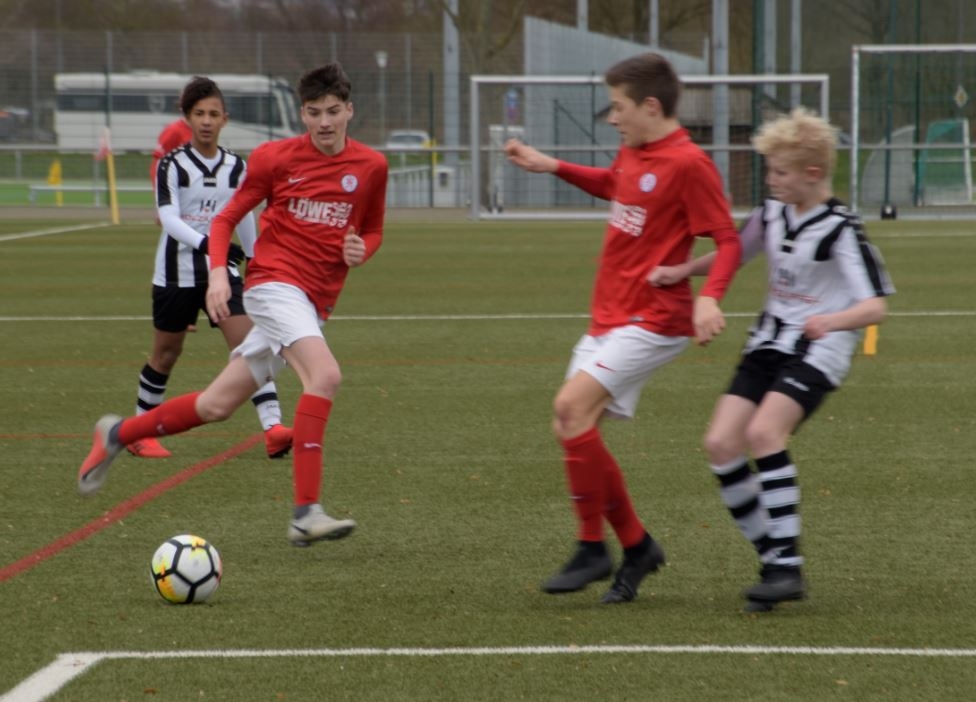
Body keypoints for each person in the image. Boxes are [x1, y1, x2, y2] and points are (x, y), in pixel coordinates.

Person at [78, 62, 389, 547]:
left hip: (314, 301)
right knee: (325, 375)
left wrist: (361, 250)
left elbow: (373, 230)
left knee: (216, 405)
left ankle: (118, 433)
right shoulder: (274, 158)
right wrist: (221, 275)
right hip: (272, 285)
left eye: (332, 111)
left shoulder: (372, 167)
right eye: (313, 112)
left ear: (349, 110)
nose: (324, 122)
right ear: (302, 115)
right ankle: (305, 512)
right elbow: (225, 220)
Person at [503, 52, 742, 604]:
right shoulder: (634, 149)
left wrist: (709, 298)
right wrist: (551, 165)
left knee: (570, 409)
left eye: (618, 107)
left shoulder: (689, 164)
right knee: (573, 425)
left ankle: (592, 546)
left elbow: (728, 240)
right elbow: (616, 185)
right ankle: (636, 546)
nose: (612, 118)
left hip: (655, 319)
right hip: (610, 313)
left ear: (650, 106)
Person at [649, 107, 894, 611]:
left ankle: (786, 566)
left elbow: (875, 307)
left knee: (764, 434)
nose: (771, 179)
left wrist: (832, 321)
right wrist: (682, 272)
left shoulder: (842, 228)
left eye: (780, 172)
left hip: (818, 350)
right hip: (767, 343)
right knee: (720, 443)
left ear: (812, 173)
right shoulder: (772, 213)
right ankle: (776, 559)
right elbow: (733, 254)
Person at [125, 76, 292, 460]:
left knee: (250, 345)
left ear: (224, 119)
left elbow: (244, 212)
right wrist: (208, 244)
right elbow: (168, 218)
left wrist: (256, 260)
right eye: (199, 113)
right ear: (187, 118)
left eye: (213, 114)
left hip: (223, 273)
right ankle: (138, 432)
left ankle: (273, 429)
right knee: (166, 354)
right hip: (176, 273)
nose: (206, 121)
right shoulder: (172, 165)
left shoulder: (237, 166)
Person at [150, 117, 193, 187]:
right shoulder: (173, 130)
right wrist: (161, 187)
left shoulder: (202, 131)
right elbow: (158, 162)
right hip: (177, 184)